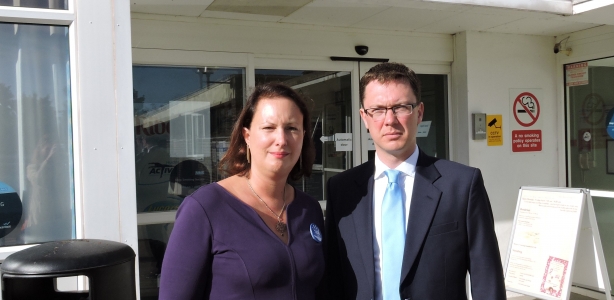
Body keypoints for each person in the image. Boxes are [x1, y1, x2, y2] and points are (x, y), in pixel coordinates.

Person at [322, 62, 506, 300]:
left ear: (419, 112)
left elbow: (487, 279)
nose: (390, 120)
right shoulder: (342, 190)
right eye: (377, 109)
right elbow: (333, 278)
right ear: (364, 118)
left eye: (401, 107)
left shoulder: (461, 185)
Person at [159, 82, 323, 300]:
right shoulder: (205, 208)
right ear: (247, 136)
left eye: (291, 128)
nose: (281, 140)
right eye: (268, 128)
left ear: (303, 136)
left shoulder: (308, 208)